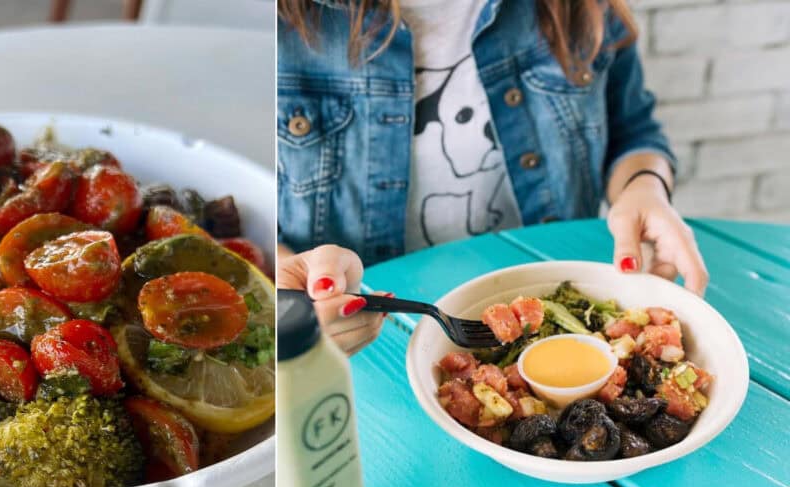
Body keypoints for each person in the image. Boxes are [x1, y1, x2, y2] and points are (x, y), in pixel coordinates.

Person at [276, 0, 709, 355]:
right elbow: (241, 223)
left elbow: (633, 131)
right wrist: (287, 283)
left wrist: (645, 188)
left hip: (565, 313)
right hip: (368, 355)